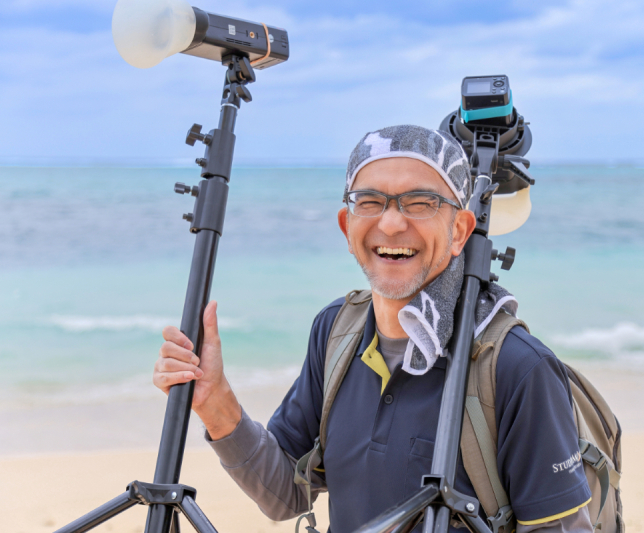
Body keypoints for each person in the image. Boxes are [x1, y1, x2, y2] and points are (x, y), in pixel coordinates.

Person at [153, 125, 593, 532]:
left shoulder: (519, 368)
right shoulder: (335, 331)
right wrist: (214, 401)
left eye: (420, 202)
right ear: (348, 228)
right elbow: (286, 493)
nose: (391, 223)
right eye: (369, 201)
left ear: (460, 230)